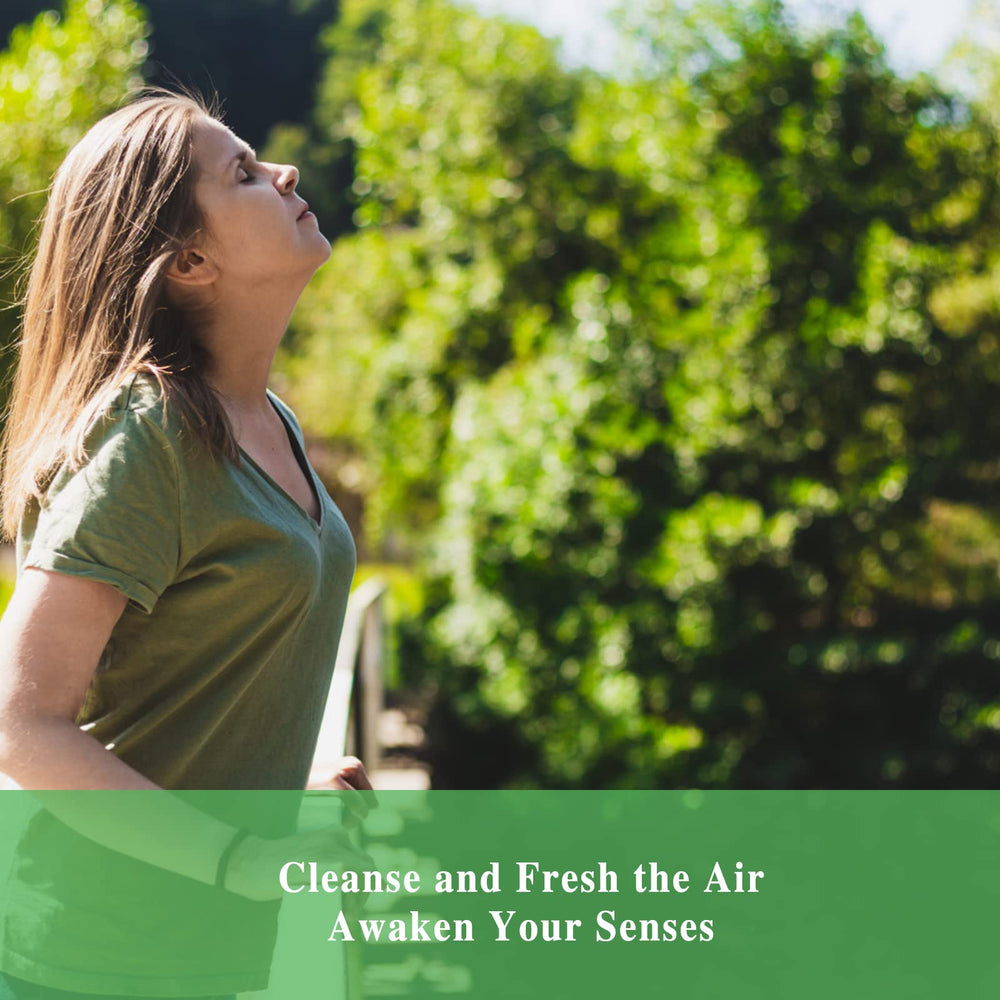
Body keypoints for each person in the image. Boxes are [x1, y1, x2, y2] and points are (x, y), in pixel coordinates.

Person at [0, 89, 374, 998]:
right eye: (242, 172)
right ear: (190, 261)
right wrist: (241, 856)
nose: (283, 172)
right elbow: (20, 721)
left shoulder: (267, 420)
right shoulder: (149, 434)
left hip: (204, 955)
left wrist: (283, 784)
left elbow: (192, 675)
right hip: (90, 960)